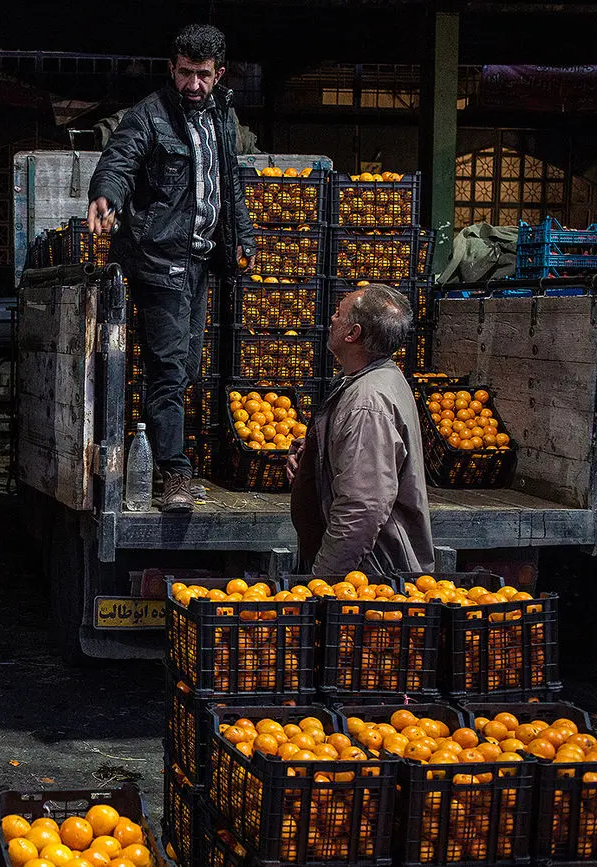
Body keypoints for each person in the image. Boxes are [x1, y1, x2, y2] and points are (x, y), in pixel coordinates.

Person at [87, 23, 255, 512]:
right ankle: (174, 474)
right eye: (185, 73)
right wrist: (106, 195)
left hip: (199, 262)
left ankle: (167, 459)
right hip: (157, 262)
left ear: (219, 73)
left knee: (184, 367)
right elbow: (119, 159)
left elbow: (230, 185)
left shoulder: (221, 116)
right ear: (172, 68)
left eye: (202, 75)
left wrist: (242, 237)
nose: (193, 84)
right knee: (167, 368)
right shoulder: (149, 115)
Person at [287, 284, 435, 575]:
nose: (332, 318)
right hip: (361, 570)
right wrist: (317, 453)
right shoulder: (376, 378)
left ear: (353, 333)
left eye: (338, 314)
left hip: (366, 576)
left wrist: (323, 581)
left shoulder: (367, 403)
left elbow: (361, 509)